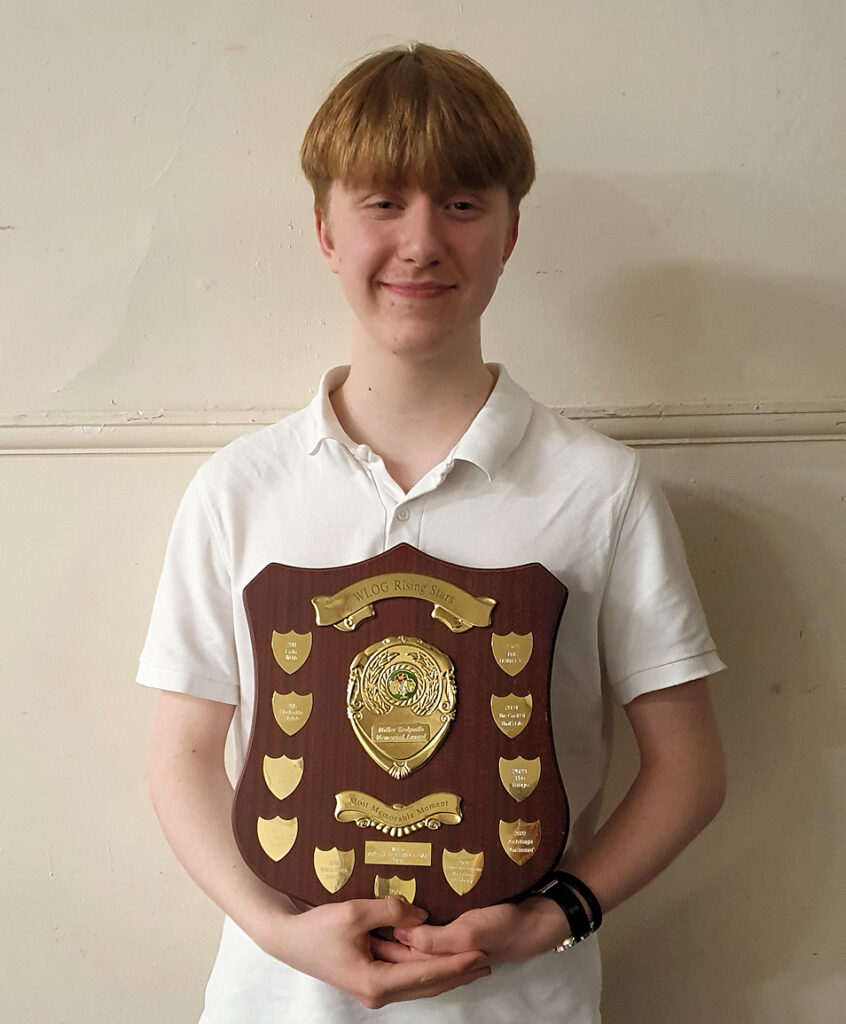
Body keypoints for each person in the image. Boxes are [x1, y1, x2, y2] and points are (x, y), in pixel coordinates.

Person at [139, 42, 726, 1023]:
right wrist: (279, 931)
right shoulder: (239, 489)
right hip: (275, 1001)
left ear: (509, 231)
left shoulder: (599, 489)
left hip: (518, 1002)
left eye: (460, 204)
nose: (420, 242)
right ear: (325, 231)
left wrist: (552, 918)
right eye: (381, 203)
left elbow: (690, 767)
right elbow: (183, 759)